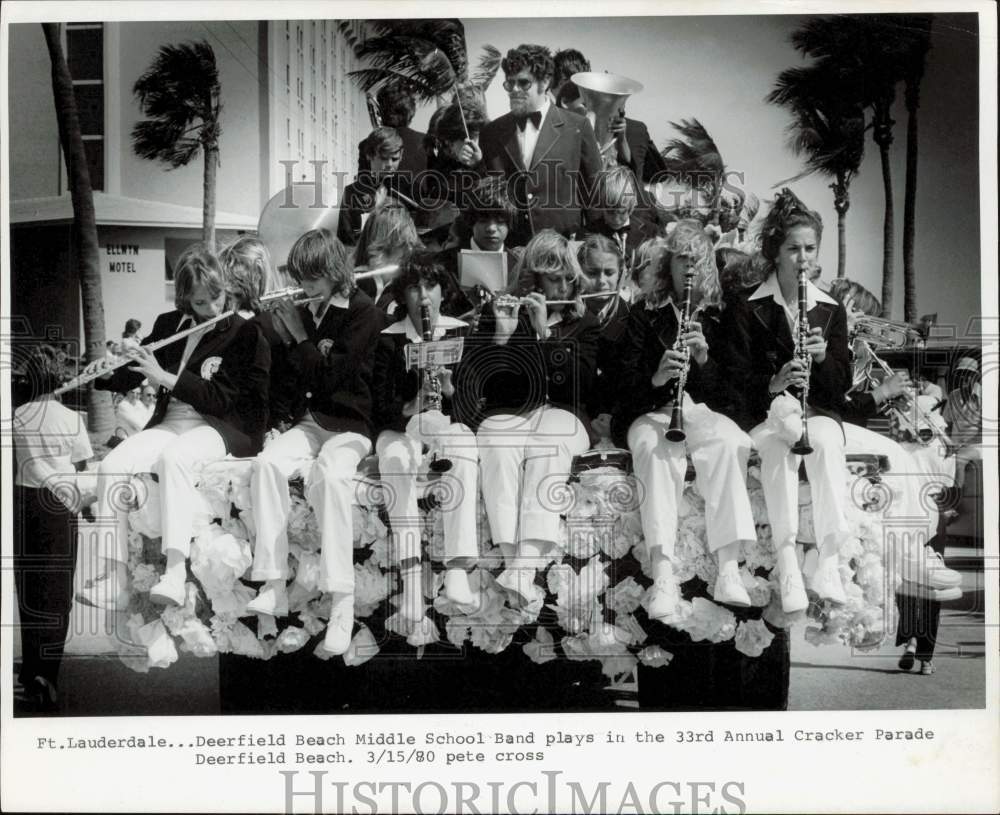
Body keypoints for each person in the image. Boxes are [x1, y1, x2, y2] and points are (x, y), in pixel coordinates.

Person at [78, 243, 271, 611]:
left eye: (217, 297)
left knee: (175, 459)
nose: (213, 308)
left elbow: (221, 399)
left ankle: (175, 571)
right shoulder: (169, 325)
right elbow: (136, 370)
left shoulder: (244, 333)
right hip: (171, 422)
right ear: (185, 300)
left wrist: (163, 376)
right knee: (112, 467)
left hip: (218, 425)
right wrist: (101, 375)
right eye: (200, 303)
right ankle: (114, 577)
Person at [244, 229, 382, 655]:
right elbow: (296, 377)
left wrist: (298, 336)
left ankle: (342, 600)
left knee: (330, 476)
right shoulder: (305, 310)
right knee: (266, 464)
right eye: (302, 277)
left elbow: (329, 377)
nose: (306, 287)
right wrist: (286, 334)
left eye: (315, 277)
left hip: (350, 426)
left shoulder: (363, 313)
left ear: (336, 271)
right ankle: (272, 582)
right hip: (308, 423)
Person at [617, 220, 758, 616]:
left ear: (709, 263)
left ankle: (729, 567)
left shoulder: (721, 314)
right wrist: (657, 376)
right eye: (682, 258)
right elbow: (623, 389)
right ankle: (663, 575)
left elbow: (735, 394)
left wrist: (704, 362)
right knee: (652, 450)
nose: (690, 266)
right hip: (651, 410)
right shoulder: (644, 313)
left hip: (702, 410)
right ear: (669, 264)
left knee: (732, 442)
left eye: (697, 258)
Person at [722, 189, 852, 614]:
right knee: (778, 447)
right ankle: (787, 561)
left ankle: (828, 562)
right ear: (775, 253)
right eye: (793, 249)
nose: (803, 259)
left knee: (830, 444)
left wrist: (821, 358)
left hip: (817, 413)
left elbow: (840, 386)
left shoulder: (830, 310)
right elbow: (733, 379)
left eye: (809, 249)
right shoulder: (747, 306)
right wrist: (773, 383)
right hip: (766, 416)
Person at [454, 230, 598, 606]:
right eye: (554, 278)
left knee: (549, 444)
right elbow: (477, 380)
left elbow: (579, 388)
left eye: (569, 278)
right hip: (513, 411)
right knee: (495, 440)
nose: (563, 285)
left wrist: (545, 334)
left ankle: (527, 564)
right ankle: (510, 557)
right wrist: (501, 338)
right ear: (532, 278)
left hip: (566, 413)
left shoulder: (585, 323)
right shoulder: (501, 312)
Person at [372, 252, 480, 619]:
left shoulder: (460, 332)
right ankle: (411, 578)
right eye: (415, 288)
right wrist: (411, 405)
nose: (423, 297)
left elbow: (472, 409)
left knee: (465, 445)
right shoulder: (387, 338)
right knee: (395, 460)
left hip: (443, 426)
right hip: (401, 428)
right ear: (402, 296)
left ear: (441, 292)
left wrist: (448, 392)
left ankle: (456, 568)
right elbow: (377, 408)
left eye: (430, 287)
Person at [12, 344, 93, 712]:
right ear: (59, 376)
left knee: (29, 587)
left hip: (27, 504)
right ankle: (49, 672)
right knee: (58, 591)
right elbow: (82, 466)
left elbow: (23, 461)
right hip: (63, 506)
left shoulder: (17, 415)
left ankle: (30, 671)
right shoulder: (73, 418)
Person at [479, 44, 602, 243]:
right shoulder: (491, 132)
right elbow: (485, 197)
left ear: (544, 82)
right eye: (509, 84)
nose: (514, 90)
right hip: (512, 249)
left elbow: (595, 195)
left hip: (563, 250)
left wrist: (592, 246)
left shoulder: (578, 127)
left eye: (523, 83)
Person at [577, 233, 630, 441]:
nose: (601, 281)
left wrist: (615, 422)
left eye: (609, 273)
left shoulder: (632, 319)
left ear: (621, 275)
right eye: (592, 272)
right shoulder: (566, 317)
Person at [339, 128, 415, 248]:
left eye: (394, 159)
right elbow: (345, 241)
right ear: (369, 155)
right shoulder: (352, 193)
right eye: (384, 158)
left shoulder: (409, 189)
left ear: (401, 155)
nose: (390, 164)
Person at [352, 201, 423, 314]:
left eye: (409, 244)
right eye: (401, 245)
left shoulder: (414, 286)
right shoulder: (352, 285)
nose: (408, 251)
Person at [420, 100, 487, 207]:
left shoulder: (488, 156)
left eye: (476, 137)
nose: (475, 144)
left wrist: (478, 165)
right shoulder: (440, 166)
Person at [584, 165, 659, 258]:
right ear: (601, 205)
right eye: (610, 212)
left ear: (633, 204)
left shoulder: (650, 232)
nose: (616, 220)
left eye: (622, 212)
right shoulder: (587, 234)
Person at [356, 84, 427, 177]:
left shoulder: (366, 145)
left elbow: (363, 187)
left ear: (381, 112)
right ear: (411, 112)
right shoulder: (427, 142)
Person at [942, 356, 982, 500]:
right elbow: (946, 424)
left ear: (975, 376)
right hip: (954, 444)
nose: (964, 378)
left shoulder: (985, 396)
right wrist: (946, 443)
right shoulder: (953, 395)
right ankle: (940, 495)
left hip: (978, 444)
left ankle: (955, 499)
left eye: (968, 374)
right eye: (961, 374)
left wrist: (964, 444)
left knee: (959, 460)